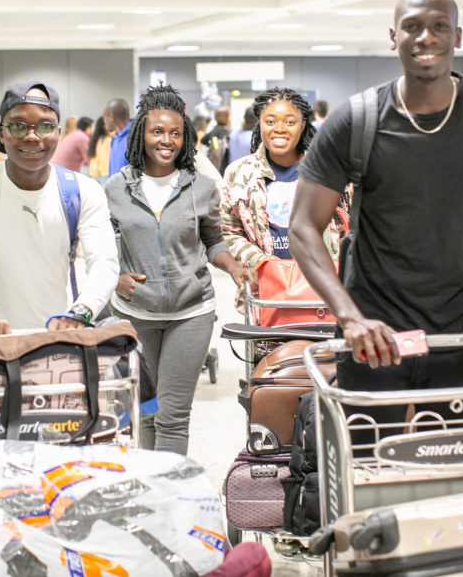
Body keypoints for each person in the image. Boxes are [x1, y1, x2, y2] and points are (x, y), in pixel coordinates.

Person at [289, 0, 463, 446]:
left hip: (460, 334)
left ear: (457, 36)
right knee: (365, 467)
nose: (426, 37)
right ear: (392, 36)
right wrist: (350, 317)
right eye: (413, 27)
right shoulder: (355, 120)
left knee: (450, 462)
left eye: (439, 26)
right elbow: (303, 225)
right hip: (373, 333)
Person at [105, 85, 253, 455]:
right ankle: (149, 495)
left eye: (175, 133)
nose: (166, 140)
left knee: (171, 415)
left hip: (191, 312)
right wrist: (114, 276)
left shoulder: (201, 187)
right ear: (142, 133)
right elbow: (98, 250)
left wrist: (233, 266)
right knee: (144, 413)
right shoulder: (115, 189)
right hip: (134, 314)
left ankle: (170, 500)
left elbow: (214, 241)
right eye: (157, 132)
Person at [0, 81, 119, 336]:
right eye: (19, 126)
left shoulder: (83, 191)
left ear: (58, 132)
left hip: (62, 337)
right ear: (1, 133)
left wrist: (82, 312)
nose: (32, 136)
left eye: (45, 127)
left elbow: (104, 263)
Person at [221, 88, 345, 304]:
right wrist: (261, 262)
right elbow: (228, 231)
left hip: (328, 288)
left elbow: (350, 225)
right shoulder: (239, 173)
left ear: (303, 124)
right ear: (259, 123)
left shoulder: (329, 170)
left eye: (289, 122)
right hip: (268, 290)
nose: (279, 129)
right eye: (270, 122)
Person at [105, 98, 132, 177]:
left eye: (104, 118)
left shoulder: (134, 138)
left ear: (111, 117)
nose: (104, 122)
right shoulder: (114, 139)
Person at [200, 106, 231, 172]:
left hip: (213, 163)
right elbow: (216, 143)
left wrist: (211, 144)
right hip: (221, 163)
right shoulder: (224, 130)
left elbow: (203, 140)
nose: (230, 118)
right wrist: (215, 146)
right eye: (229, 115)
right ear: (225, 117)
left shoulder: (215, 128)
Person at [87, 116, 114, 184]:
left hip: (95, 175)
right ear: (104, 125)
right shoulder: (108, 140)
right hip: (105, 175)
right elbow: (104, 159)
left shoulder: (95, 140)